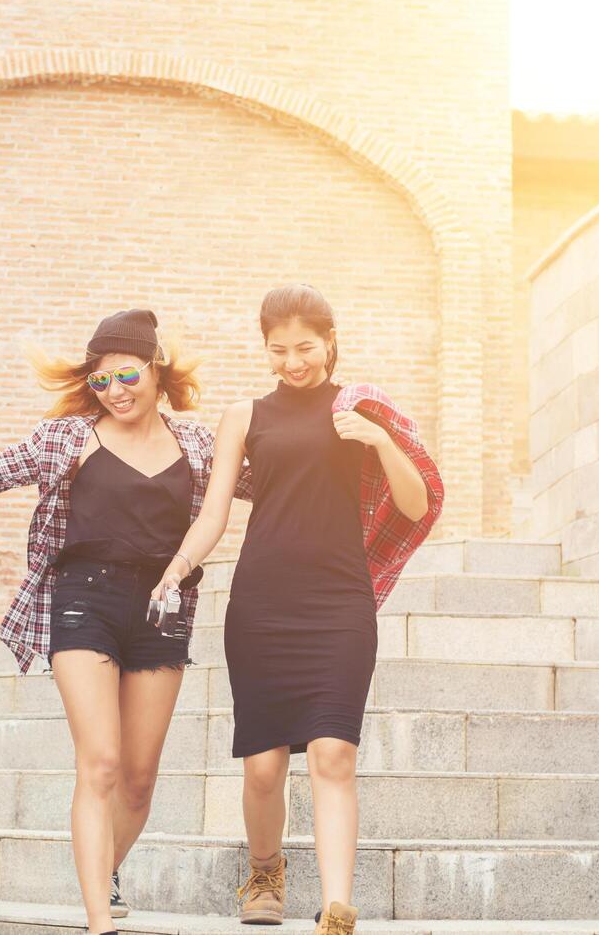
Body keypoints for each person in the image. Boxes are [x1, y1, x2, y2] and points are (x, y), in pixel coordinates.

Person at [151, 286, 443, 935]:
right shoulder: (243, 415)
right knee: (262, 766)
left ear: (330, 342)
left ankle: (337, 909)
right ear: (264, 349)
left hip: (340, 602)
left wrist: (377, 440)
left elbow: (415, 504)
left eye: (305, 348)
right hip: (262, 602)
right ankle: (265, 870)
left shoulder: (357, 411)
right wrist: (176, 567)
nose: (292, 362)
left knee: (333, 753)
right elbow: (215, 511)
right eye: (278, 350)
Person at [0, 309, 219, 935]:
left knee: (137, 781)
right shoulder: (68, 437)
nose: (116, 391)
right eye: (102, 381)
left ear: (154, 369)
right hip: (83, 599)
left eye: (127, 375)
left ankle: (105, 870)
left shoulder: (198, 444)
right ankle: (98, 923)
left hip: (164, 609)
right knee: (101, 762)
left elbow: (273, 485)